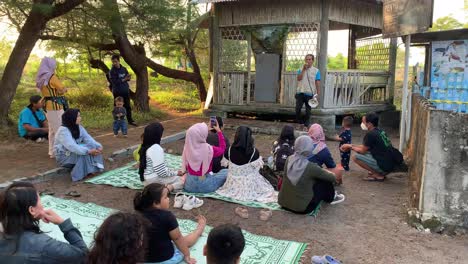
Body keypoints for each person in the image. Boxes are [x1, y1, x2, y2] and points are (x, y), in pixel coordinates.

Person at [0, 182, 88, 263]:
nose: (42, 204)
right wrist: (62, 223)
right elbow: (83, 256)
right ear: (32, 210)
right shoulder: (45, 245)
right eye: (40, 200)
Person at [134, 183, 206, 264]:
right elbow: (178, 238)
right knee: (183, 241)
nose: (168, 199)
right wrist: (187, 255)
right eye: (165, 197)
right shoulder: (167, 217)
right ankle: (200, 229)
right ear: (155, 203)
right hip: (166, 258)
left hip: (142, 259)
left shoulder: (135, 216)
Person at [278, 136, 345, 214]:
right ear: (309, 148)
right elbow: (333, 178)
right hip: (302, 208)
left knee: (311, 179)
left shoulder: (289, 159)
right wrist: (323, 170)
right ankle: (331, 198)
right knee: (324, 181)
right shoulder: (311, 167)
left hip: (283, 203)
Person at [217, 126, 276, 203]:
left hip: (232, 184)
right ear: (249, 137)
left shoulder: (228, 150)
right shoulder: (254, 152)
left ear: (236, 136)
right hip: (249, 185)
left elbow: (225, 165)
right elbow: (257, 168)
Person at [341, 113, 403, 181]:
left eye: (363, 122)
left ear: (369, 124)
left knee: (355, 157)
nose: (362, 124)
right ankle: (379, 171)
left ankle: (377, 175)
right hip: (390, 163)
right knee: (365, 152)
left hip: (385, 166)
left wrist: (349, 147)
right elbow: (365, 147)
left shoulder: (370, 134)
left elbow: (362, 151)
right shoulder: (380, 131)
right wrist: (350, 145)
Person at [54, 109, 104, 181]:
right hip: (64, 156)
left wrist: (98, 146)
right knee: (84, 153)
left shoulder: (79, 127)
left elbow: (88, 138)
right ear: (72, 118)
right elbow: (72, 146)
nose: (80, 118)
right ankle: (81, 174)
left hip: (73, 151)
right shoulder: (63, 131)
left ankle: (92, 169)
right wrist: (88, 151)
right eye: (78, 116)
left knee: (93, 147)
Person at [182, 122, 228, 193]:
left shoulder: (187, 148)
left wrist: (206, 128)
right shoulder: (209, 149)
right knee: (225, 171)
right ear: (202, 135)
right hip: (206, 187)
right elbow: (222, 148)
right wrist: (219, 131)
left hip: (189, 186)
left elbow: (194, 132)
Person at [36, 57, 68, 158]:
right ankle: (61, 152)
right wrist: (64, 90)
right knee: (60, 129)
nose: (54, 67)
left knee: (52, 130)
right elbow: (61, 89)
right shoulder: (52, 77)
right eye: (53, 65)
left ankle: (53, 152)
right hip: (56, 106)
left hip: (47, 106)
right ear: (50, 65)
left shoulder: (41, 77)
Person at [138, 122, 184, 190]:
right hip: (154, 179)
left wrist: (172, 172)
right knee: (181, 181)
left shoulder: (145, 146)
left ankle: (159, 187)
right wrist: (175, 173)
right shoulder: (156, 148)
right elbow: (161, 172)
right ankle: (167, 189)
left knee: (170, 174)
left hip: (146, 179)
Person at [109, 54, 136, 126]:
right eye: (113, 62)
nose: (114, 63)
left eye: (115, 61)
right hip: (117, 92)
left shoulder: (124, 69)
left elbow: (128, 78)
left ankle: (130, 121)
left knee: (127, 106)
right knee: (117, 107)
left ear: (119, 61)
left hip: (125, 91)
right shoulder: (112, 71)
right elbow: (115, 82)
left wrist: (128, 77)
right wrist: (124, 79)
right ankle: (118, 122)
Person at [295, 54, 320, 129]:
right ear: (305, 60)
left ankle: (306, 125)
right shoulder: (300, 69)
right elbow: (299, 78)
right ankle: (300, 123)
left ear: (312, 61)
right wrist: (303, 69)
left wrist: (318, 93)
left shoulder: (316, 71)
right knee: (297, 109)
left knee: (308, 111)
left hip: (310, 93)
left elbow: (317, 82)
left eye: (310, 59)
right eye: (307, 59)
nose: (308, 61)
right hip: (300, 92)